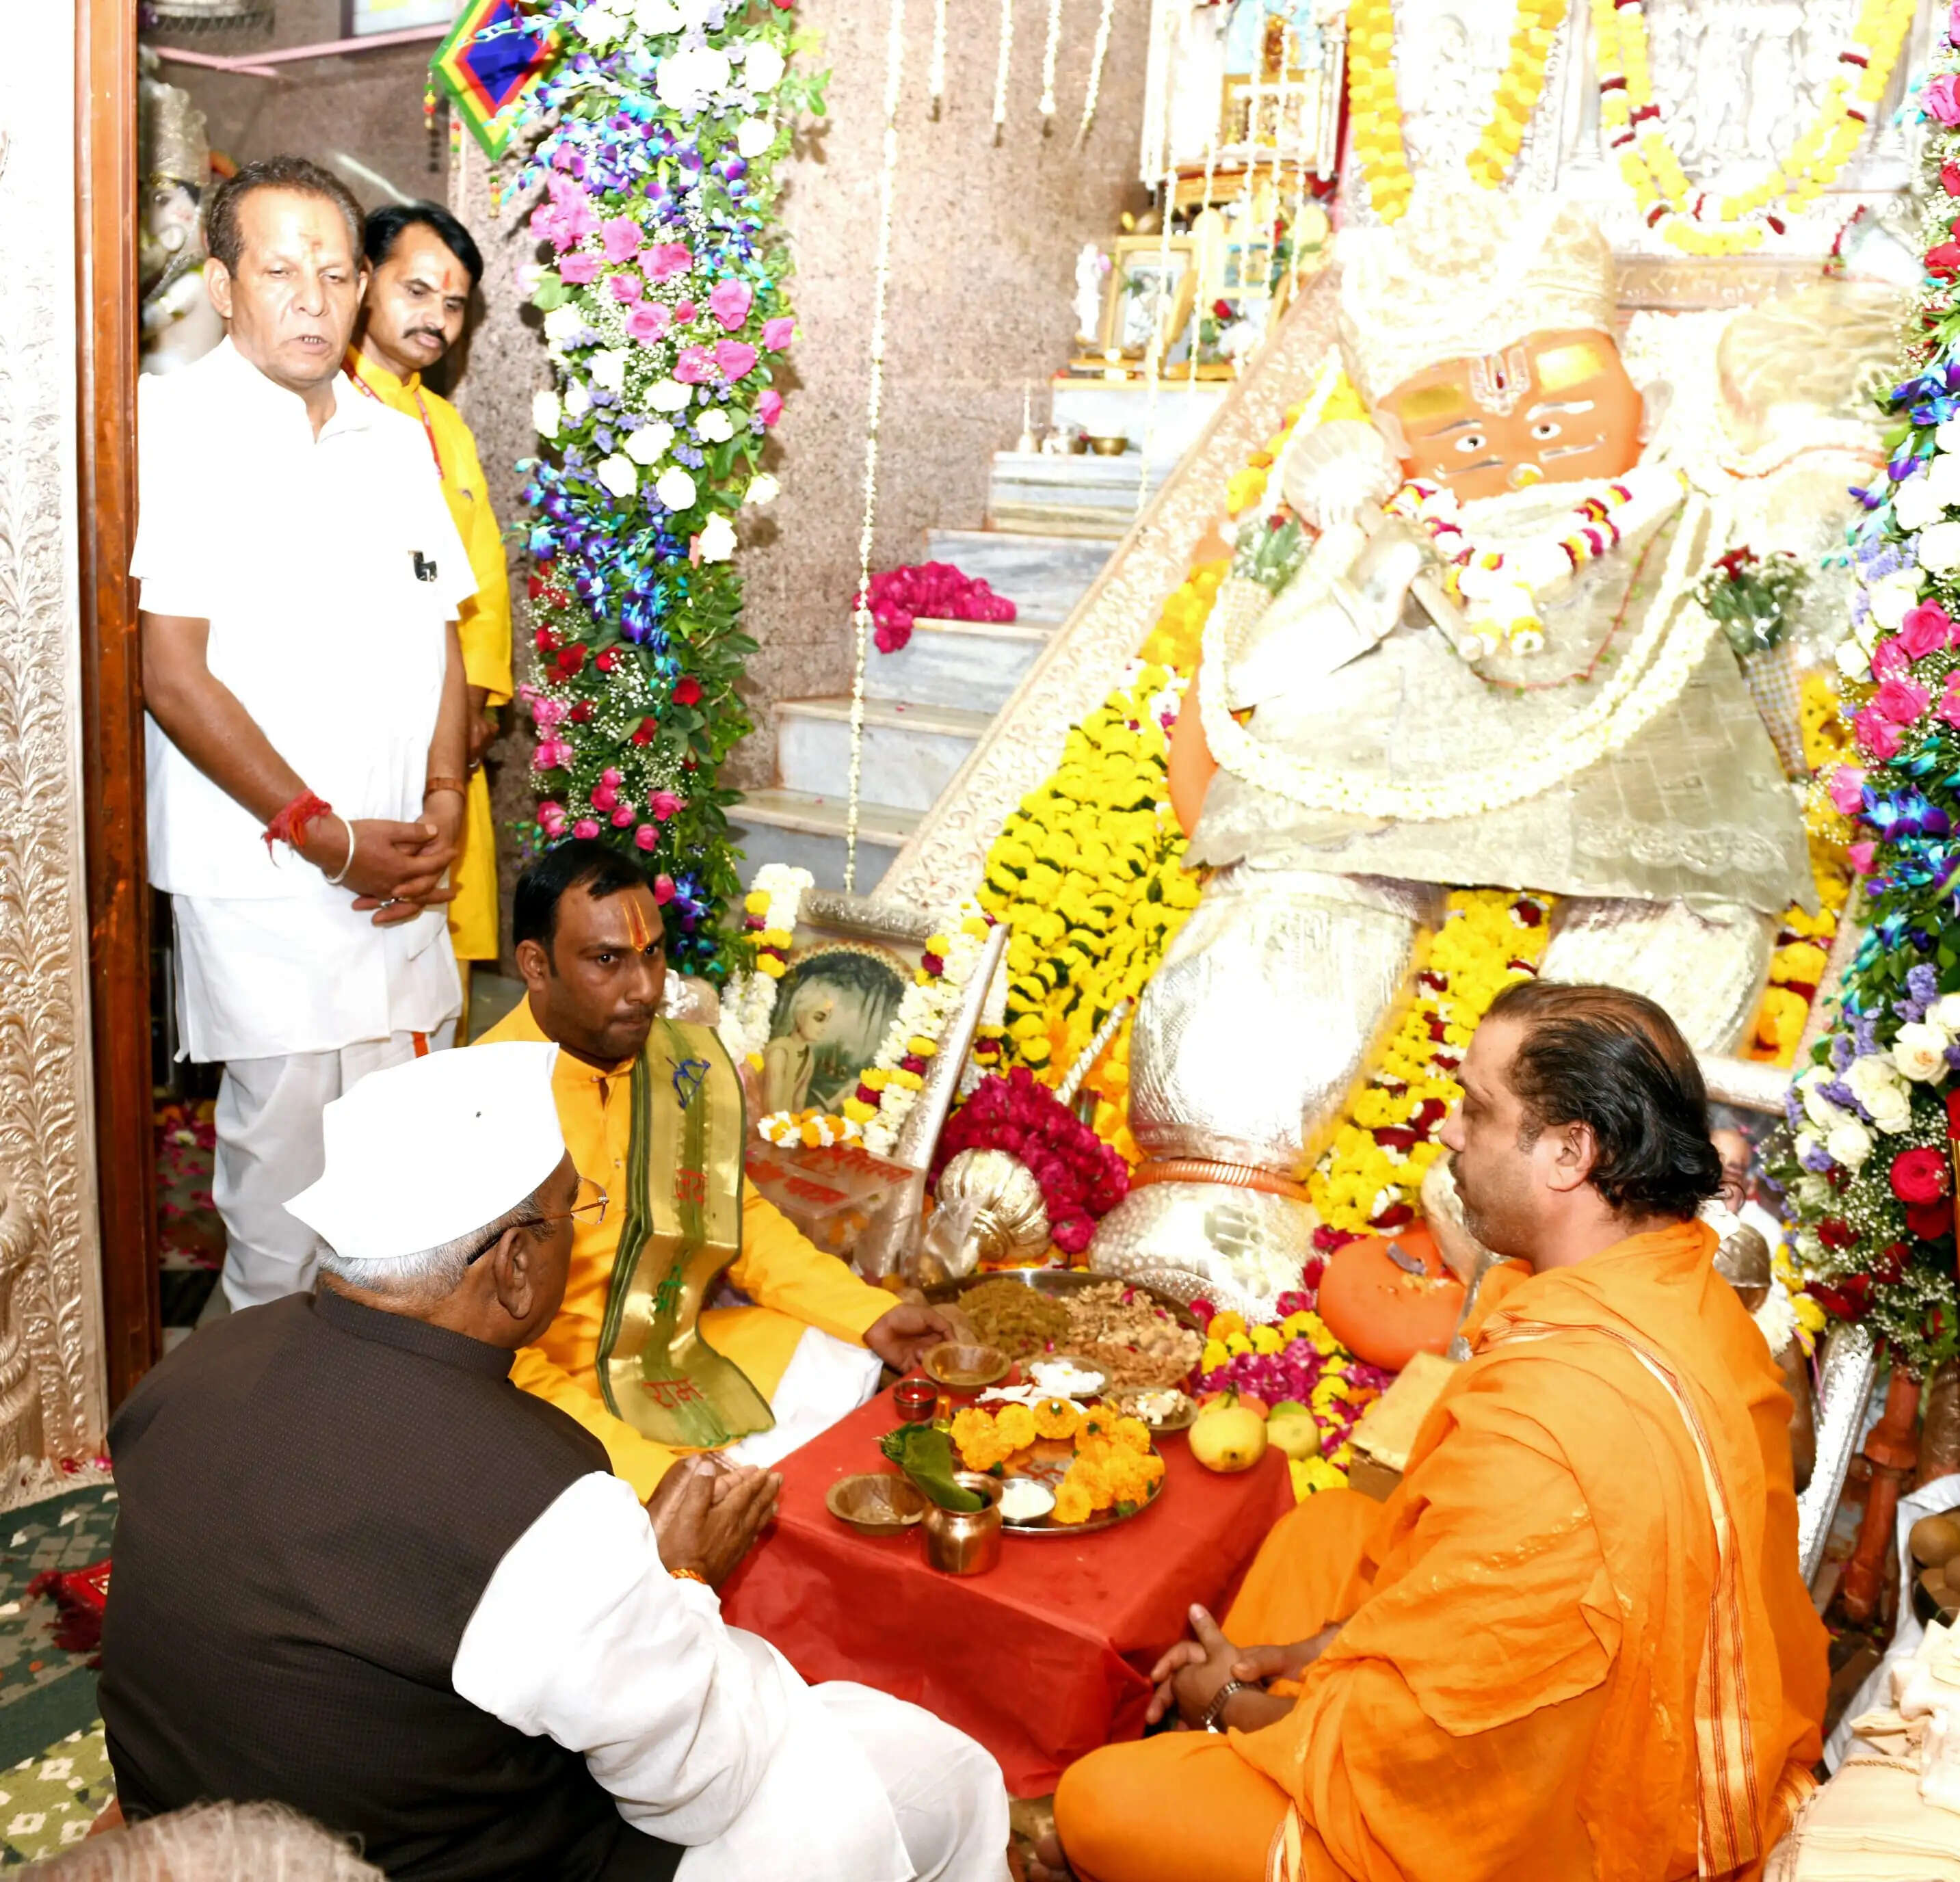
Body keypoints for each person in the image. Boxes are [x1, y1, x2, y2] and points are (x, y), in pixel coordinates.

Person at [98, 1044, 1009, 1882]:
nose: (582, 1234)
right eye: (575, 1210)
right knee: (943, 1777)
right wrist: (685, 1576)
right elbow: (700, 1785)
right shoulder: (535, 1496)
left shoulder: (194, 1365)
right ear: (516, 1266)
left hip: (206, 1821)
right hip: (461, 1860)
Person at [1035, 981, 1828, 1882]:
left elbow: (1429, 1749)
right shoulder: (1684, 1288)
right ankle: (1240, 1758)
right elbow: (1457, 1591)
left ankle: (1233, 1767)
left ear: (1569, 1152)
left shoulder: (1550, 1423)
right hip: (1638, 1704)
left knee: (1097, 1803)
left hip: (1567, 1824)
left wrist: (1226, 1702)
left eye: (1478, 1111)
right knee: (1327, 1530)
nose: (1448, 1133)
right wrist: (1297, 1655)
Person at [135, 155, 473, 1310]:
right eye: (279, 271)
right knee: (281, 1220)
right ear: (225, 288)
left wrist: (443, 808)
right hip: (273, 883)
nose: (313, 299)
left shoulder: (393, 440)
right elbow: (171, 675)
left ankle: (369, 1464)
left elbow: (442, 636)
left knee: (398, 1214)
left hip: (401, 883)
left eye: (336, 274)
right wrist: (327, 837)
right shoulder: (181, 430)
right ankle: (245, 1480)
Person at [479, 840, 966, 1493]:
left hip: (672, 1353)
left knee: (847, 1357)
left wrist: (868, 1312)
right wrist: (649, 1471)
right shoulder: (478, 1102)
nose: (646, 988)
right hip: (541, 1396)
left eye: (652, 953)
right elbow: (485, 1351)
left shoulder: (680, 1066)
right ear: (536, 966)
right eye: (607, 961)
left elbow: (739, 1220)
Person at [347, 202, 513, 999]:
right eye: (416, 291)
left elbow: (481, 583)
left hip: (453, 750)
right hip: (362, 744)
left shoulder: (444, 422)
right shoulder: (329, 407)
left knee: (442, 986)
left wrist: (475, 707)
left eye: (454, 304)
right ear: (360, 280)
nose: (437, 318)